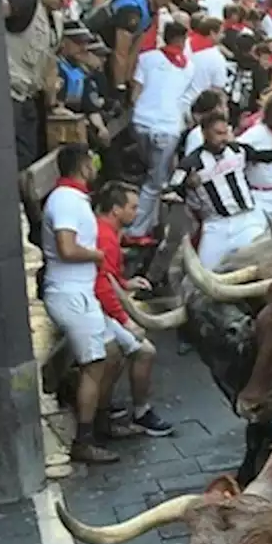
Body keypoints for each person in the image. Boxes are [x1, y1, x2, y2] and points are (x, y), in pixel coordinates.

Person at [40, 146, 124, 464]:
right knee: (94, 365)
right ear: (83, 165)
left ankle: (99, 417)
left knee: (113, 353)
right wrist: (97, 255)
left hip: (82, 293)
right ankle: (84, 439)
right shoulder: (64, 200)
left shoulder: (74, 199)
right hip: (71, 294)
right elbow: (66, 247)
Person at [92, 180, 174, 437]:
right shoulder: (106, 237)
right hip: (99, 309)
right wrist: (125, 320)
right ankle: (140, 413)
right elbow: (103, 285)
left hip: (98, 307)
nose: (136, 212)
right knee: (144, 351)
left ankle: (105, 410)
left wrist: (126, 283)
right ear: (116, 210)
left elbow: (109, 277)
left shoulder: (108, 232)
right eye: (132, 207)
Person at [126, 21, 198, 245]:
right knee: (155, 182)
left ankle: (150, 222)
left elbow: (135, 91)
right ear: (183, 40)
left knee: (152, 174)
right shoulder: (188, 67)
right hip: (167, 127)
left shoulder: (147, 58)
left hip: (141, 122)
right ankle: (136, 231)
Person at [178, 112, 272, 269]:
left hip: (246, 221)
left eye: (225, 133)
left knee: (260, 263)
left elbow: (263, 156)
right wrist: (186, 186)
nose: (223, 138)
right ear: (204, 133)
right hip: (215, 225)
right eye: (218, 133)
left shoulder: (238, 151)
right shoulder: (190, 163)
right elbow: (171, 191)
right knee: (206, 271)